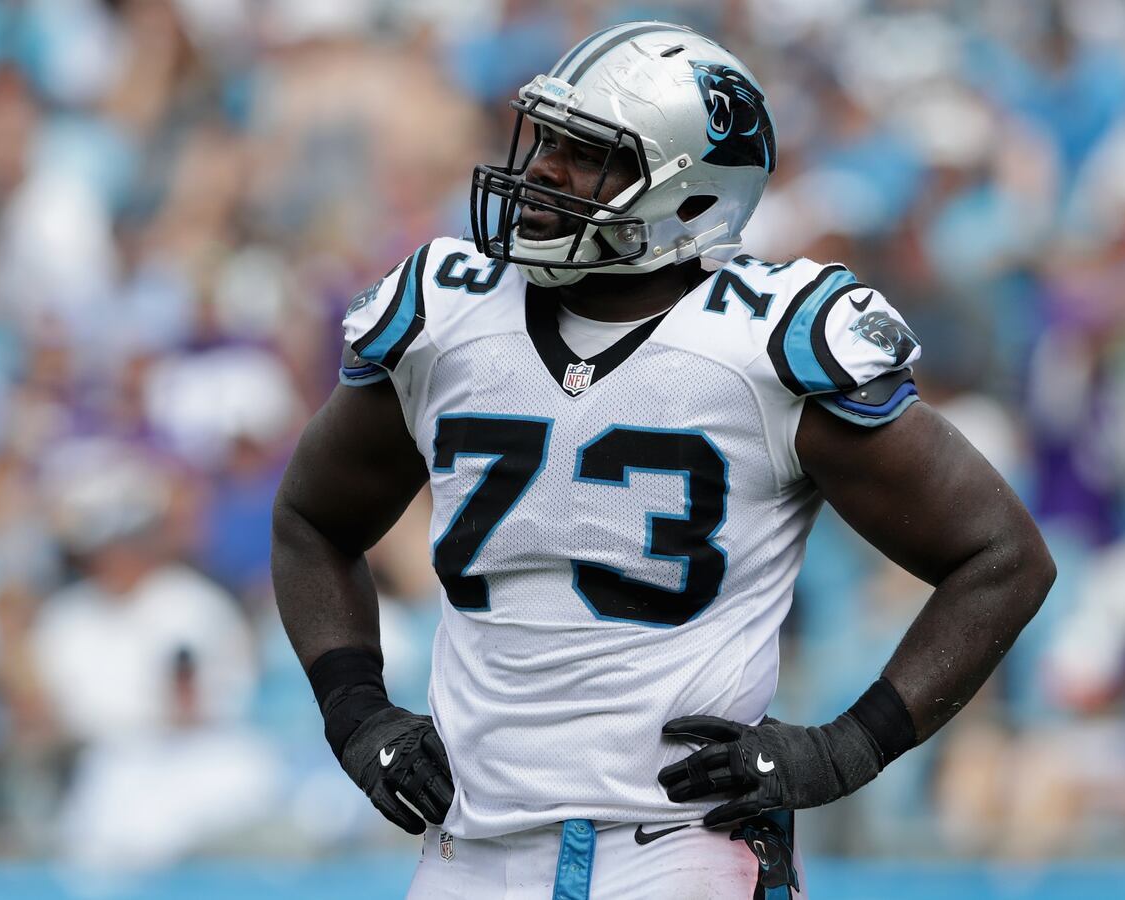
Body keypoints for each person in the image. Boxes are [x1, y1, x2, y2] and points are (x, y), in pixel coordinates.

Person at [271, 21, 1056, 899]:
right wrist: (356, 713)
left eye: (586, 155)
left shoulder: (765, 340)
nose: (541, 172)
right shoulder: (448, 316)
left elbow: (1002, 555)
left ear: (688, 197)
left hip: (681, 848)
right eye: (546, 140)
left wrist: (847, 748)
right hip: (469, 850)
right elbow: (311, 520)